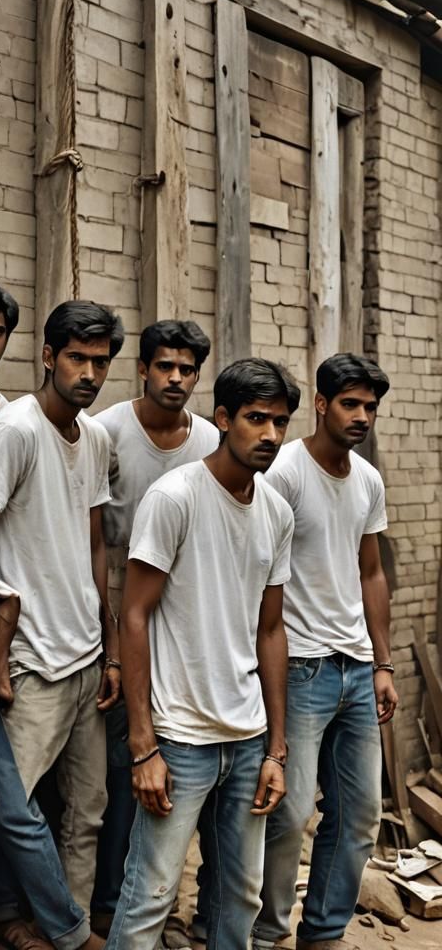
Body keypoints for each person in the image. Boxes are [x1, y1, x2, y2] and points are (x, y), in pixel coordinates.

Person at [106, 358, 298, 950]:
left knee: (241, 892)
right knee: (150, 894)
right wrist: (143, 746)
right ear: (222, 420)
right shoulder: (174, 498)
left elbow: (271, 632)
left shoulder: (276, 512)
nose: (269, 435)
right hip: (181, 737)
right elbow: (134, 616)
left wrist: (277, 749)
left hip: (246, 739)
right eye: (255, 419)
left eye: (279, 423)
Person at [0, 300, 124, 918]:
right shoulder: (17, 430)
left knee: (88, 811)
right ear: (48, 357)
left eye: (100, 362)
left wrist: (111, 648)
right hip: (30, 663)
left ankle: (67, 924)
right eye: (76, 358)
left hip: (84, 662)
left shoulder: (97, 436)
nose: (88, 373)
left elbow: (96, 544)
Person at [252, 354, 398, 950]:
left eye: (370, 407)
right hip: (301, 667)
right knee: (287, 815)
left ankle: (324, 931)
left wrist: (383, 663)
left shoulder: (367, 480)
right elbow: (259, 573)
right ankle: (265, 931)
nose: (361, 416)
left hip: (358, 669)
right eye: (350, 404)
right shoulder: (283, 472)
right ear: (320, 403)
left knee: (360, 812)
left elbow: (371, 574)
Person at [91, 320, 217, 942]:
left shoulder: (213, 441)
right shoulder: (109, 431)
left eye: (187, 370)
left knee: (186, 773)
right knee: (121, 770)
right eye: (164, 366)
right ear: (142, 370)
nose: (175, 378)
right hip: (118, 616)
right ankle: (112, 904)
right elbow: (94, 541)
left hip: (186, 626)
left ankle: (165, 901)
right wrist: (111, 641)